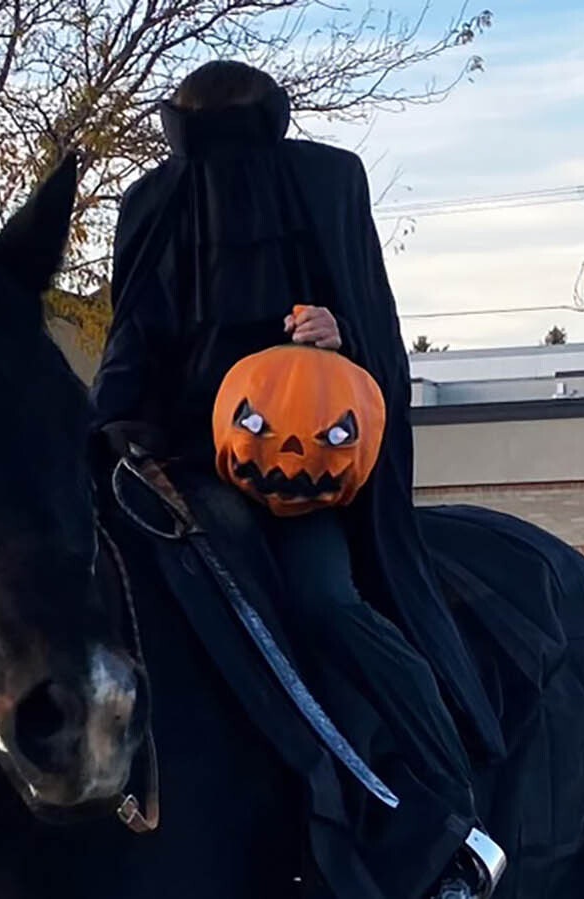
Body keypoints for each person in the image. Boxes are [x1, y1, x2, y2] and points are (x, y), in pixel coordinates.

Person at [90, 60, 505, 899]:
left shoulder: (326, 187)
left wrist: (338, 331)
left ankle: (440, 792)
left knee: (323, 601)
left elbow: (377, 333)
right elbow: (132, 334)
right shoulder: (152, 206)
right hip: (172, 463)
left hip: (294, 473)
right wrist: (100, 433)